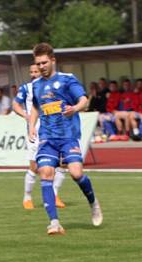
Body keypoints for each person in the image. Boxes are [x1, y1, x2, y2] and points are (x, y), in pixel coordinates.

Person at [28, 42, 102, 236]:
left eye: (44, 62)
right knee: (45, 172)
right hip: (47, 138)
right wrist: (31, 127)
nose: (41, 67)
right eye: (38, 63)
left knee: (76, 174)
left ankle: (93, 203)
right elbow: (36, 107)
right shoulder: (35, 85)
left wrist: (74, 109)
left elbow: (84, 100)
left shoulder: (68, 80)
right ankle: (54, 223)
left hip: (68, 137)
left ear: (53, 60)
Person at [12, 63, 66, 210]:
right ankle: (27, 197)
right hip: (35, 132)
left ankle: (54, 195)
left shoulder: (53, 87)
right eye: (31, 71)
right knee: (35, 167)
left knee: (62, 163)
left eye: (36, 71)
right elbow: (15, 105)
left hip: (53, 131)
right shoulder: (26, 88)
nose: (34, 73)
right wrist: (26, 115)